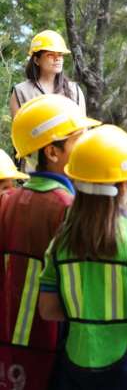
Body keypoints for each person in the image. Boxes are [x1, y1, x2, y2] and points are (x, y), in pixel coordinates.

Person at [38, 124, 127, 390]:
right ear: (124, 185)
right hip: (124, 361)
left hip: (75, 357)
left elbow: (48, 310)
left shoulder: (60, 243)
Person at [0, 94, 99, 390]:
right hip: (55, 348)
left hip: (8, 347)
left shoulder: (7, 202)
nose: (88, 147)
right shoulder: (70, 208)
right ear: (53, 152)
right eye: (79, 139)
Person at [9, 30, 86, 118]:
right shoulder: (21, 91)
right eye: (50, 55)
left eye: (60, 55)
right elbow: (19, 130)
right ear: (36, 60)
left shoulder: (74, 90)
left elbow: (83, 129)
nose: (57, 58)